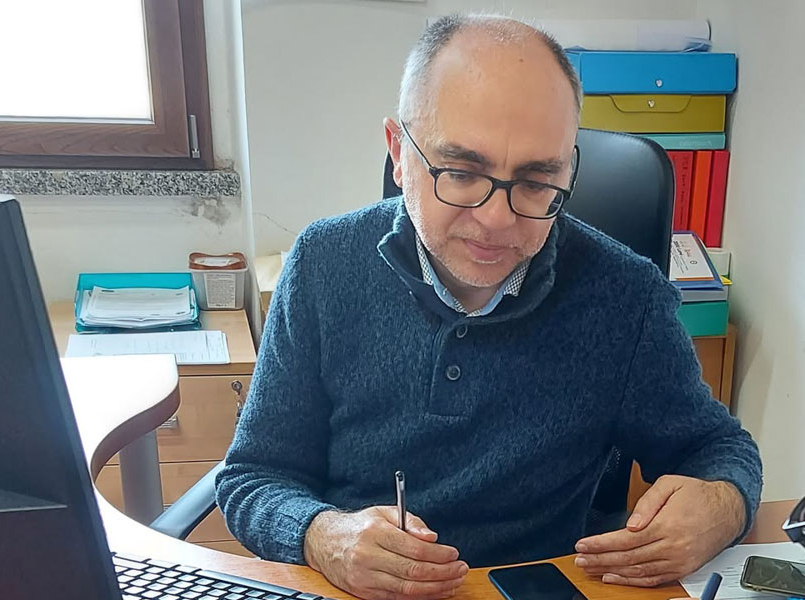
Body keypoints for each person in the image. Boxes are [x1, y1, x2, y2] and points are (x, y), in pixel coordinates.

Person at [216, 13, 763, 600]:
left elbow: (719, 450)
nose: (496, 219)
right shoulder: (323, 263)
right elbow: (254, 476)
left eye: (536, 181)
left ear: (568, 169)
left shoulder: (628, 296)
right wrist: (322, 535)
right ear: (399, 152)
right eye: (460, 172)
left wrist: (721, 505)